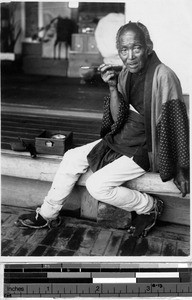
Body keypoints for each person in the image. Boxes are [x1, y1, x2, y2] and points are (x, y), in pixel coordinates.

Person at [16, 21, 189, 237]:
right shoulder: (126, 73)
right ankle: (47, 215)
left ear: (149, 47)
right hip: (120, 139)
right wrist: (112, 87)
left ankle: (148, 206)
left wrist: (183, 168)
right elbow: (118, 118)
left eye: (136, 48)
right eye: (124, 50)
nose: (131, 56)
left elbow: (178, 122)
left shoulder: (164, 75)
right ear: (119, 52)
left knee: (97, 186)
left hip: (145, 147)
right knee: (71, 157)